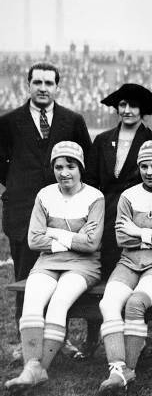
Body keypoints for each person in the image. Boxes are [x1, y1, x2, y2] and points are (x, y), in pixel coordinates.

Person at [0, 62, 92, 360]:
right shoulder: (9, 121)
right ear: (28, 85)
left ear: (57, 87)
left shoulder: (72, 120)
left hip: (62, 213)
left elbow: (85, 162)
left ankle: (58, 338)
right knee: (25, 276)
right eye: (37, 82)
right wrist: (18, 188)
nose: (42, 88)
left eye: (48, 83)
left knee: (59, 272)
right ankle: (24, 343)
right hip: (23, 211)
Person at [4, 142, 103, 394]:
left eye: (71, 166)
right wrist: (72, 239)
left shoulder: (95, 197)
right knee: (32, 300)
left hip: (83, 265)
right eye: (58, 166)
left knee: (59, 302)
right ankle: (32, 367)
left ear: (80, 168)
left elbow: (91, 244)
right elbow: (34, 240)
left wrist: (54, 232)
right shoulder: (45, 195)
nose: (64, 172)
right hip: (47, 262)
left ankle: (40, 368)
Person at [97, 141, 152, 396]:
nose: (150, 172)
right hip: (129, 261)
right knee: (108, 303)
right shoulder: (128, 196)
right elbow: (121, 239)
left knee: (136, 302)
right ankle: (117, 368)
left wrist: (138, 231)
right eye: (144, 166)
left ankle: (129, 369)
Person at [86, 83, 152, 280]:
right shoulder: (102, 140)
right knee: (108, 272)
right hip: (106, 215)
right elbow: (90, 181)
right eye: (122, 105)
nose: (127, 110)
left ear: (142, 110)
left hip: (140, 216)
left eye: (133, 105)